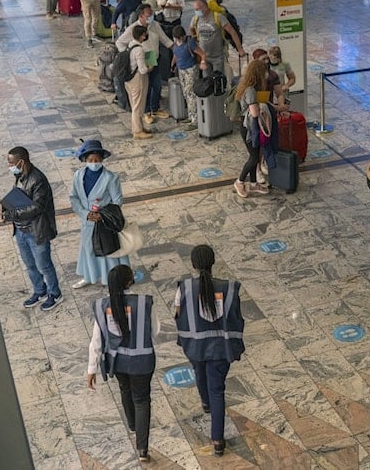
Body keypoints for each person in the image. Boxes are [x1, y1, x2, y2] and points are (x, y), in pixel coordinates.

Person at [174, 245, 245, 457]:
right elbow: (236, 317)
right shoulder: (229, 288)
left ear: (194, 265)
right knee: (218, 390)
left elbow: (178, 314)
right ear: (213, 262)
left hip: (195, 346)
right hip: (221, 349)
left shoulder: (184, 288)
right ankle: (218, 440)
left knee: (199, 373)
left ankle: (204, 402)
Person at [87, 264, 157, 463]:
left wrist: (91, 369)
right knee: (142, 400)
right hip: (142, 361)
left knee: (124, 389)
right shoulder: (143, 303)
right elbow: (155, 330)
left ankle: (133, 424)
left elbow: (97, 341)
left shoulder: (102, 306)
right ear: (130, 281)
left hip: (117, 362)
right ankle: (142, 448)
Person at [0, 146, 62, 311]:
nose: (9, 166)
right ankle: (39, 291)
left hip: (36, 231)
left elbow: (36, 207)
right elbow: (18, 196)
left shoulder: (38, 179)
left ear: (21, 161)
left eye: (11, 162)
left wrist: (11, 214)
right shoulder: (19, 176)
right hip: (21, 230)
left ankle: (55, 293)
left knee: (44, 265)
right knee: (30, 265)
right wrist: (4, 206)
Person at [70, 139, 130, 287]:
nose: (94, 162)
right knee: (88, 248)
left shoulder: (111, 177)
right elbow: (74, 197)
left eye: (97, 160)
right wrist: (85, 213)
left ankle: (111, 280)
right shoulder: (78, 176)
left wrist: (102, 215)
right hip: (87, 221)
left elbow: (117, 201)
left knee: (107, 251)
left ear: (102, 160)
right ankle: (89, 276)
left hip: (104, 223)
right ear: (85, 160)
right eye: (91, 160)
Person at [116, 3, 173, 125]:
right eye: (148, 15)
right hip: (142, 59)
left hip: (154, 57)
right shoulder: (133, 29)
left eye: (152, 14)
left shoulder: (154, 25)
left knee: (157, 85)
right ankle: (147, 112)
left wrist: (176, 48)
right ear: (141, 16)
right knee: (146, 88)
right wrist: (129, 56)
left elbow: (165, 39)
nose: (150, 17)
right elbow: (119, 42)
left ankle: (155, 108)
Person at [232, 59, 271, 198]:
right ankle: (240, 181)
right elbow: (254, 112)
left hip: (247, 126)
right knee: (254, 157)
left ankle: (254, 184)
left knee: (254, 154)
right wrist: (262, 107)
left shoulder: (247, 86)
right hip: (248, 128)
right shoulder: (250, 90)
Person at [191, 0, 244, 79]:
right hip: (204, 57)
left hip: (218, 57)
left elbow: (233, 33)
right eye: (195, 9)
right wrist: (196, 41)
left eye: (197, 9)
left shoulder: (218, 17)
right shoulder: (196, 19)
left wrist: (240, 49)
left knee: (218, 80)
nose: (196, 11)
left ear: (205, 7)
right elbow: (191, 28)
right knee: (206, 81)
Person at [171, 25, 207, 131]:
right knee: (186, 93)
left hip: (191, 69)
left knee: (191, 93)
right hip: (181, 69)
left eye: (179, 37)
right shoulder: (176, 42)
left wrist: (203, 62)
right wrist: (173, 63)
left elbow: (202, 54)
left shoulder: (190, 42)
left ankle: (195, 120)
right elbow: (176, 54)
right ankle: (190, 116)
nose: (178, 40)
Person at [121, 25, 153, 140]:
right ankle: (137, 131)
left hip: (129, 79)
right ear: (142, 36)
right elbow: (142, 69)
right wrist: (150, 67)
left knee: (135, 104)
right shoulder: (139, 50)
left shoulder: (130, 45)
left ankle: (140, 127)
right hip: (137, 79)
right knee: (138, 106)